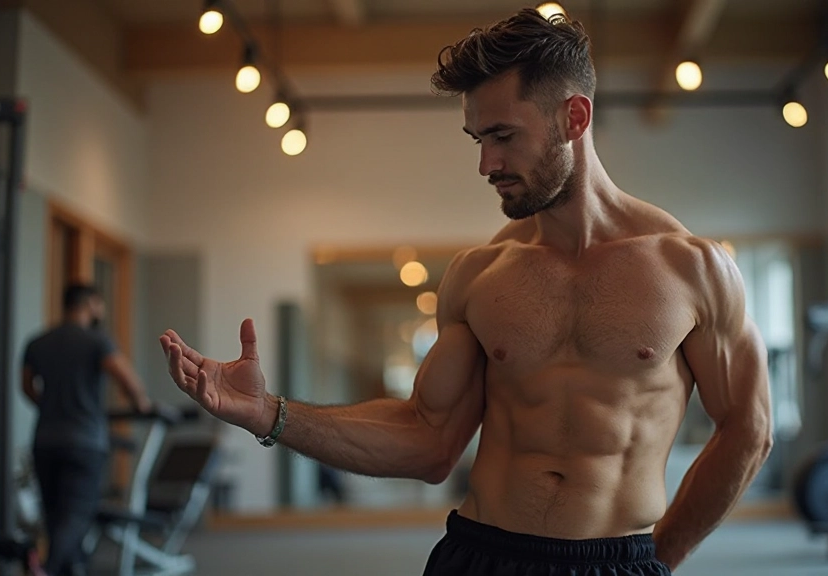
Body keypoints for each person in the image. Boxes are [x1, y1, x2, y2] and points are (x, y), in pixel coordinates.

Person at [161, 8, 772, 575]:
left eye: (503, 135)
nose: (486, 164)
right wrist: (270, 413)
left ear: (574, 118)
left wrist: (657, 560)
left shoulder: (691, 269)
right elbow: (428, 439)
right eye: (477, 139)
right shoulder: (481, 275)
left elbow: (748, 429)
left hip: (620, 556)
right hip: (483, 556)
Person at [22, 284, 153, 576]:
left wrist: (50, 406)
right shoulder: (96, 341)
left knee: (55, 516)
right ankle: (46, 568)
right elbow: (128, 381)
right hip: (84, 442)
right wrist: (141, 403)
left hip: (45, 440)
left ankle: (59, 568)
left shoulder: (38, 342)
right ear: (91, 304)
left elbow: (27, 387)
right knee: (77, 515)